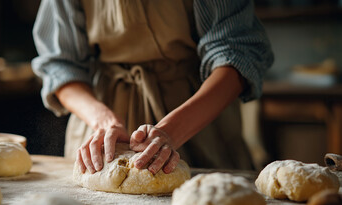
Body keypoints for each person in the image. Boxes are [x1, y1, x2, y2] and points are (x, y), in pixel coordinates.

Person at [32, 0, 274, 175]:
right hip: (100, 117)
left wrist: (171, 131)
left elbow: (237, 55)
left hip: (199, 119)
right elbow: (61, 66)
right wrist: (103, 121)